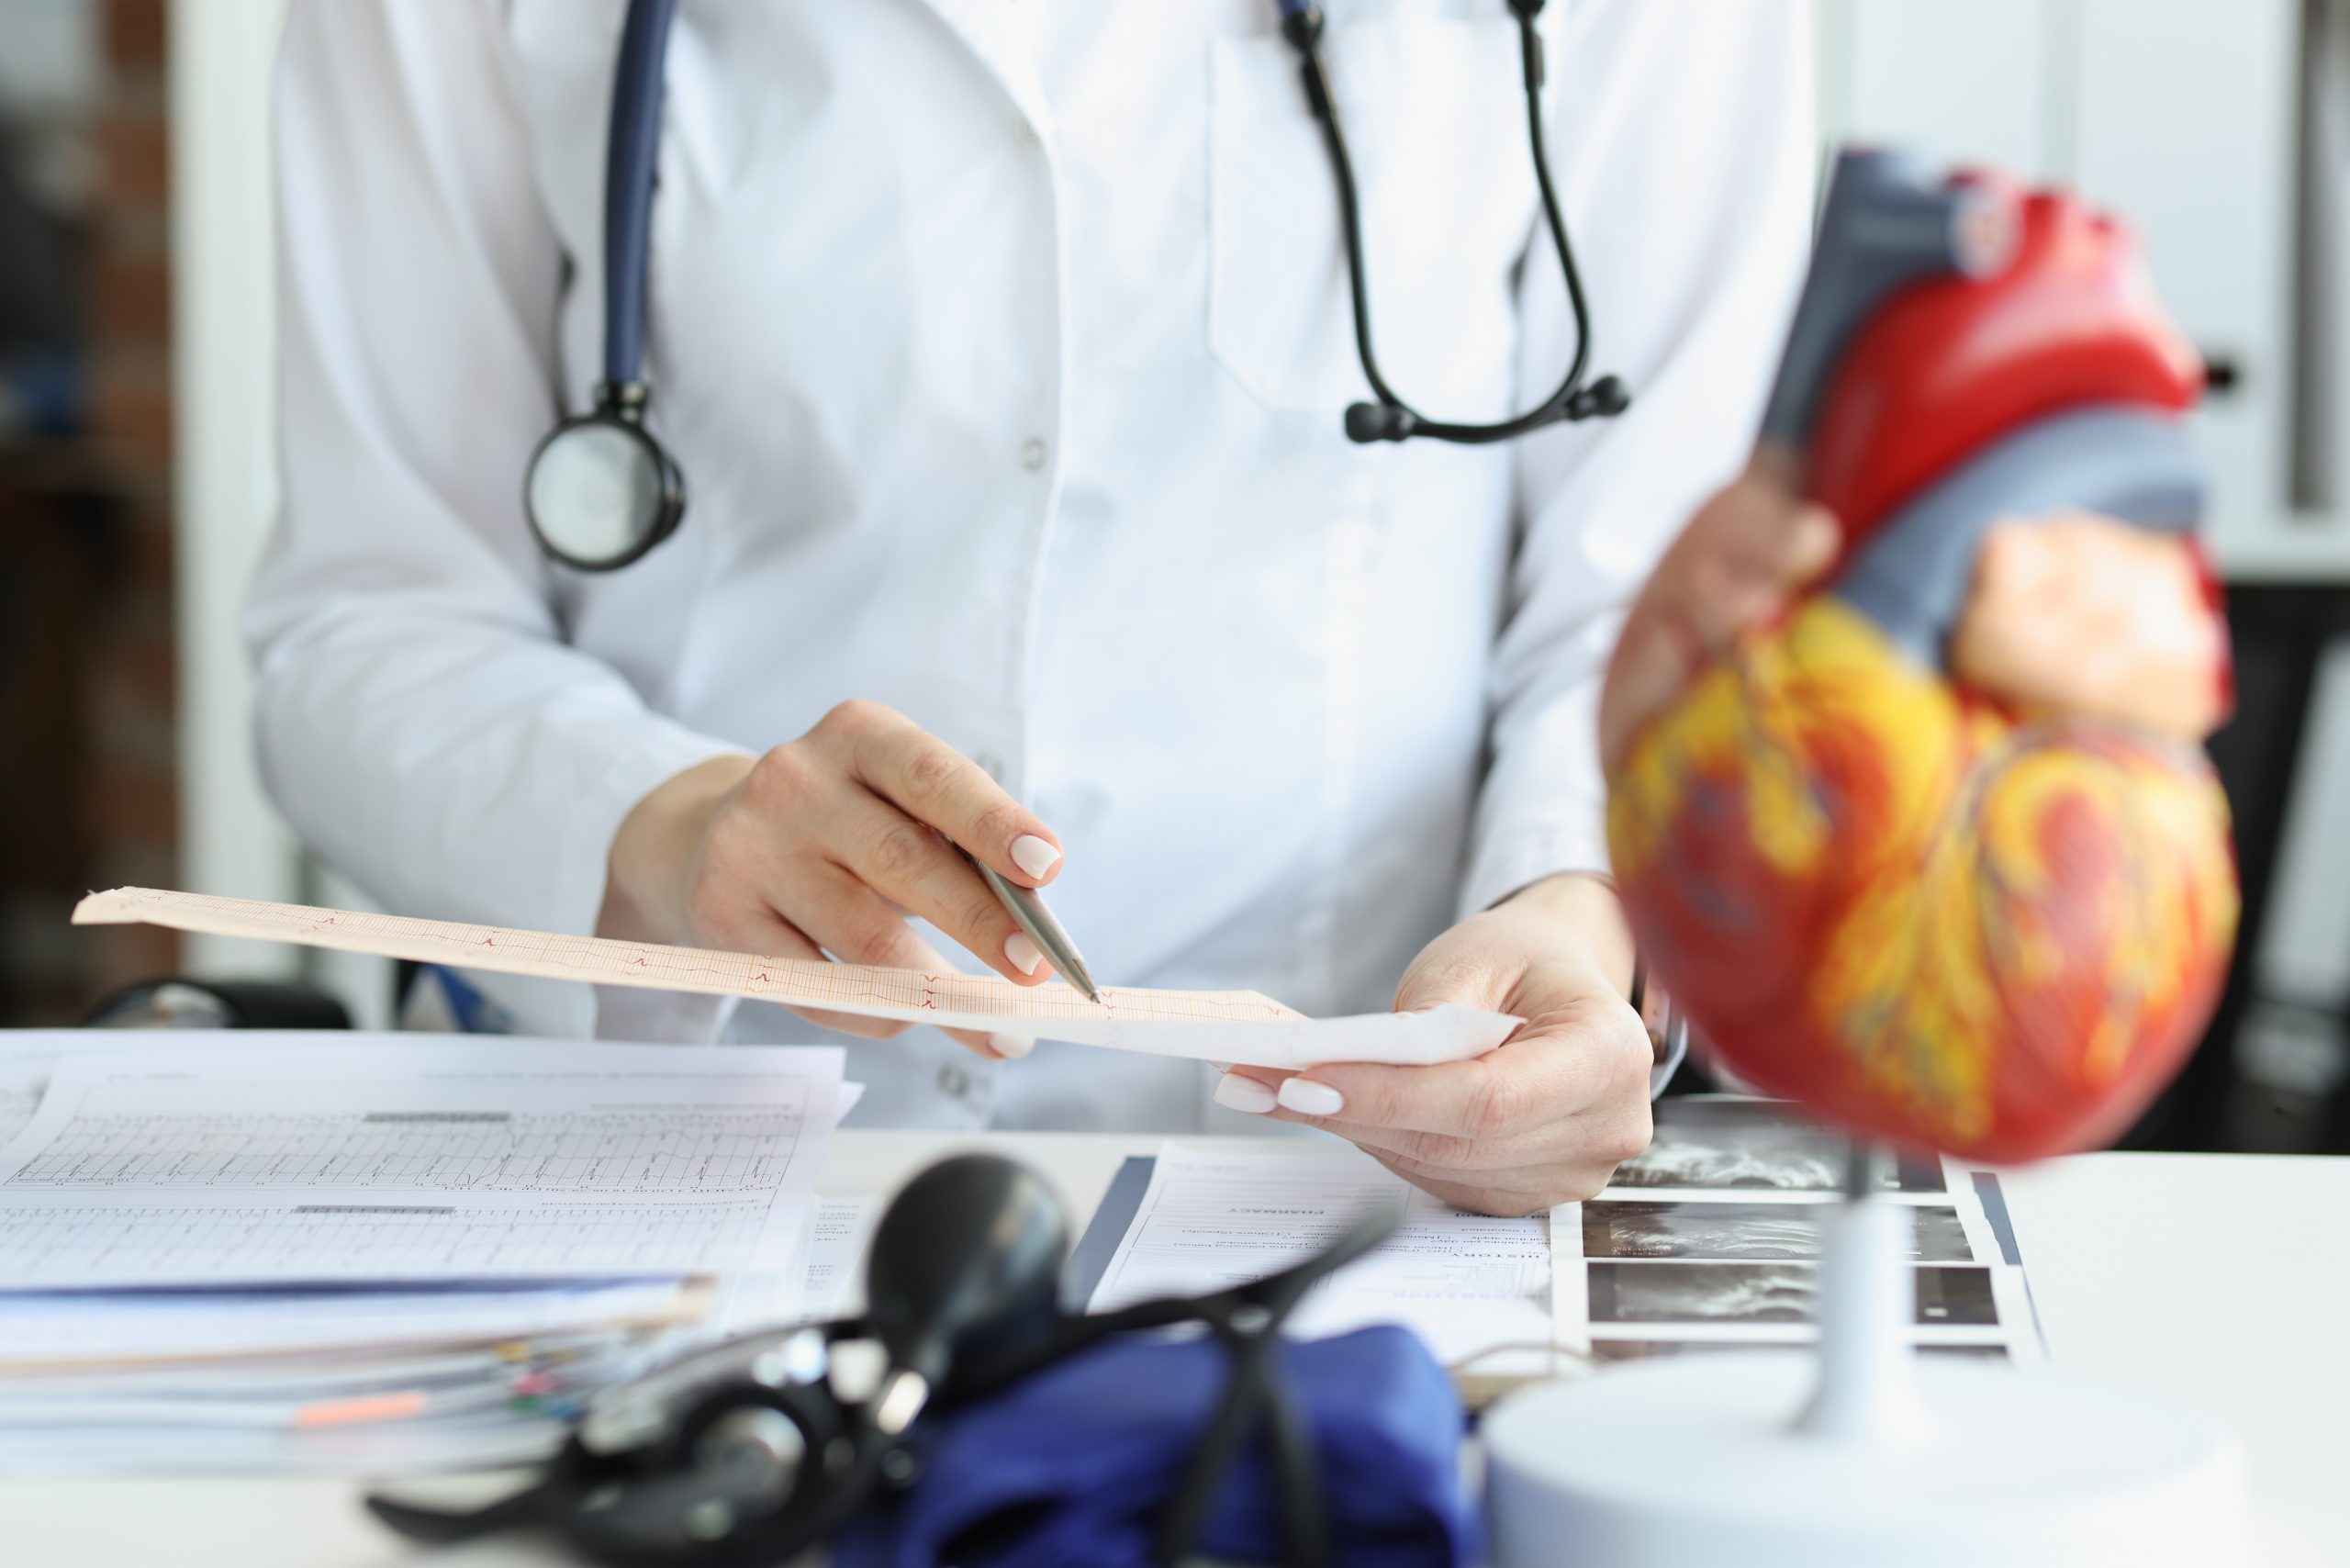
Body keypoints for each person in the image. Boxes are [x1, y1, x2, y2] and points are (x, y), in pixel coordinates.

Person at [249, 0, 1815, 1215]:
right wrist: (667, 830)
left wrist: (1575, 902)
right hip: (664, 1169)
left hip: (1351, 1201)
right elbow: (370, 619)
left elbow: (1657, 619)